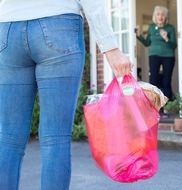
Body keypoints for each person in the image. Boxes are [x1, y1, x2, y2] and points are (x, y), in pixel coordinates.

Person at [0, 0, 131, 189]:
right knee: (55, 138)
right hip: (58, 24)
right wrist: (111, 49)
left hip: (7, 30)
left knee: (8, 139)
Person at [136, 5, 177, 101]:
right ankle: (155, 107)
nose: (160, 16)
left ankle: (167, 107)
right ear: (155, 16)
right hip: (154, 56)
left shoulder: (170, 28)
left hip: (168, 56)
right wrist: (139, 36)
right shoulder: (151, 27)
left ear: (165, 17)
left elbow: (174, 45)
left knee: (166, 81)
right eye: (158, 14)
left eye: (163, 14)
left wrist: (166, 38)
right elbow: (147, 43)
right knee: (154, 81)